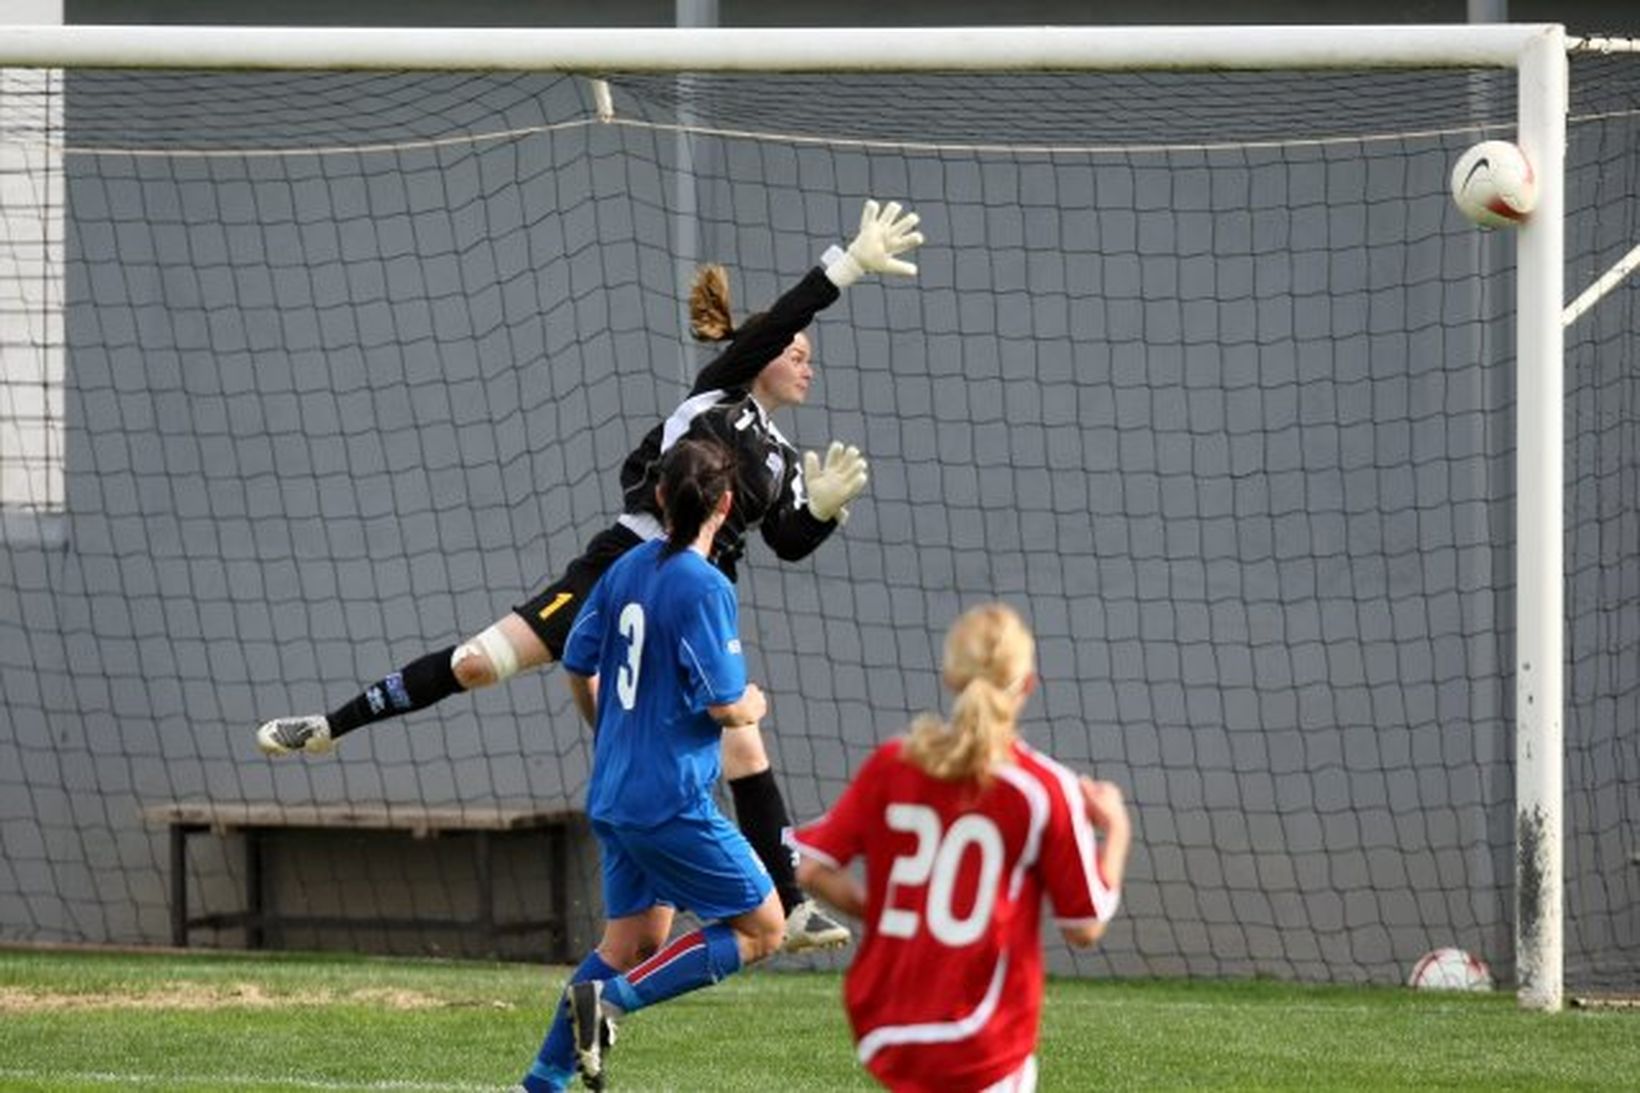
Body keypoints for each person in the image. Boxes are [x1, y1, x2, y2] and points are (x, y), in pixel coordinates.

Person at [254, 199, 924, 951]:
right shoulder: (719, 393)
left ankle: (790, 904)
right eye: (796, 349)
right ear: (761, 351)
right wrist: (846, 266)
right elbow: (781, 320)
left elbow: (788, 541)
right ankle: (329, 727)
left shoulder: (775, 455)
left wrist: (823, 511)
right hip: (621, 560)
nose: (807, 360)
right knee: (479, 664)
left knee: (741, 738)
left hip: (697, 594)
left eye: (807, 352)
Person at [516, 435, 784, 1093]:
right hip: (669, 800)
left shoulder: (627, 567)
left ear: (660, 495)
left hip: (613, 792)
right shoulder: (707, 585)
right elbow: (725, 707)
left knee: (632, 941)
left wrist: (607, 728)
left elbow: (578, 661)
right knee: (764, 927)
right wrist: (750, 701)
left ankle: (542, 1082)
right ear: (725, 505)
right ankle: (609, 1004)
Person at [792, 603, 1132, 1093]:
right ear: (1028, 684)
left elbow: (811, 867)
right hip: (983, 1035)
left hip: (887, 1022)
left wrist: (888, 912)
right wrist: (1116, 826)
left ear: (951, 677)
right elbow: (1085, 926)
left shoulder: (893, 763)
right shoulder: (1042, 789)